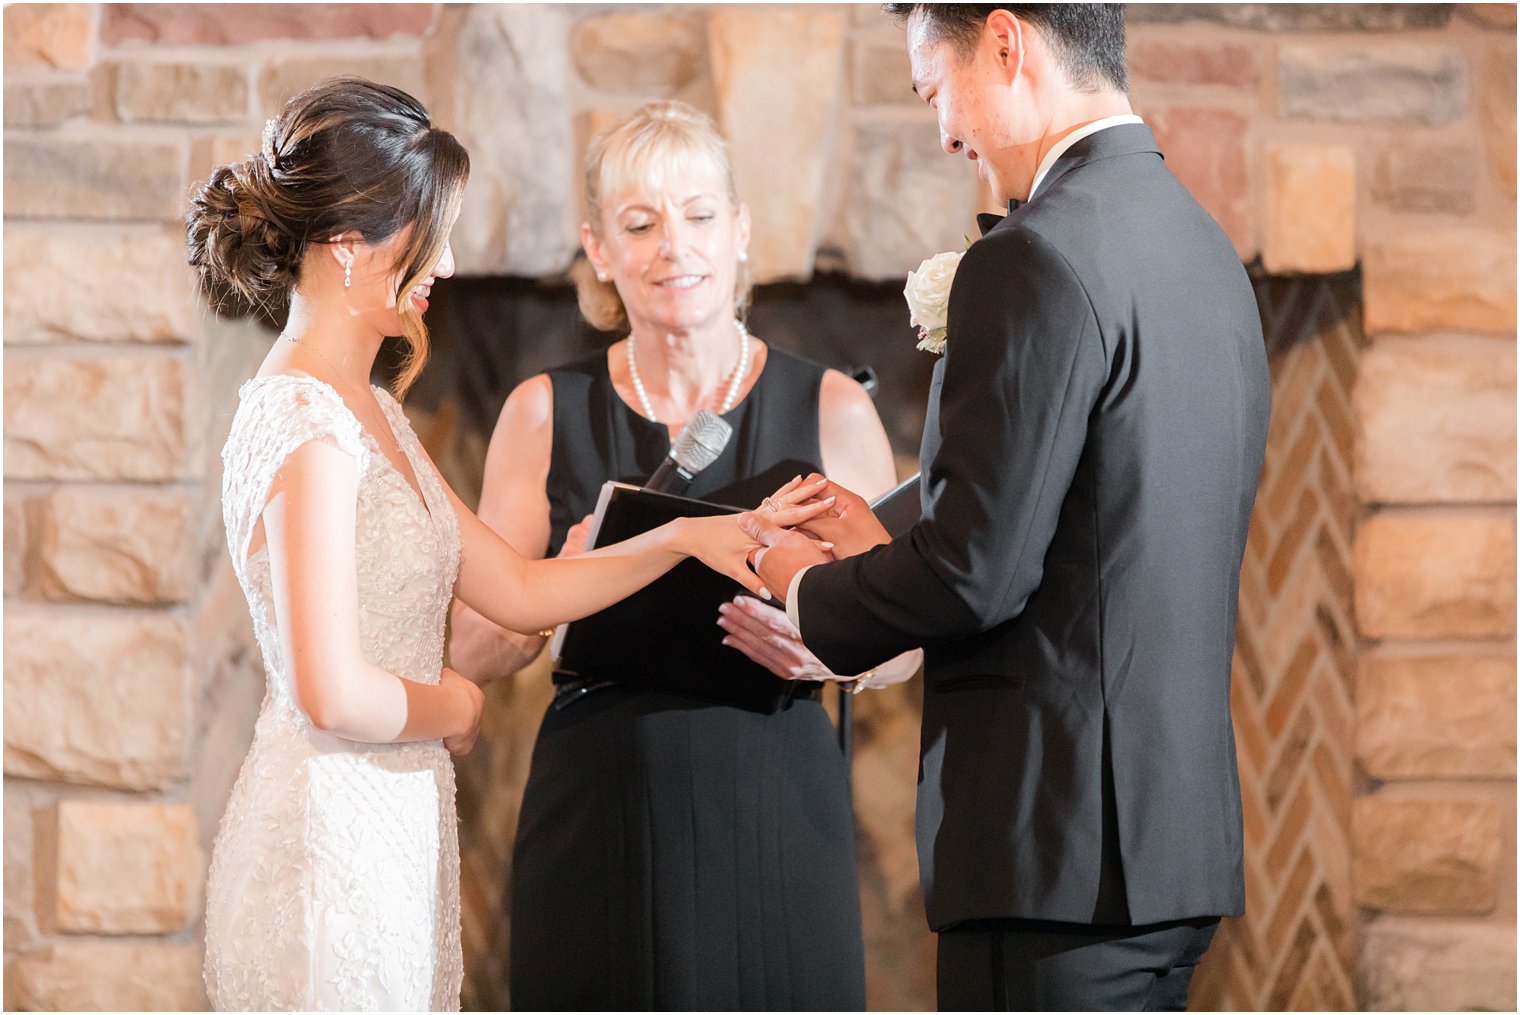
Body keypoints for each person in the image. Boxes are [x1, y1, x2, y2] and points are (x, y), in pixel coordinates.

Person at [188, 79, 818, 1012]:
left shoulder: (377, 415)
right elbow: (330, 688)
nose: (444, 259)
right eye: (427, 233)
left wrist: (683, 534)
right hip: (323, 845)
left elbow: (519, 587)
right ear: (351, 245)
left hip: (392, 824)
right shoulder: (306, 422)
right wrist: (458, 702)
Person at [741, 5, 1272, 1011]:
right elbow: (1094, 515)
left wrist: (801, 583)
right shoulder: (1202, 249)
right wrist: (889, 534)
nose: (942, 132)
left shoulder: (1031, 257)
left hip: (1052, 850)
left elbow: (972, 574)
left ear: (1004, 42)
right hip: (1164, 842)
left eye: (932, 89)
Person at [447, 100, 921, 1010]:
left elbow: (904, 640)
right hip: (601, 799)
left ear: (740, 232)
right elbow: (473, 647)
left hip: (775, 794)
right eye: (641, 223)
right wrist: (564, 578)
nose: (676, 246)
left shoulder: (832, 409)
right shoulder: (543, 411)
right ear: (600, 248)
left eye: (700, 215)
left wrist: (834, 647)